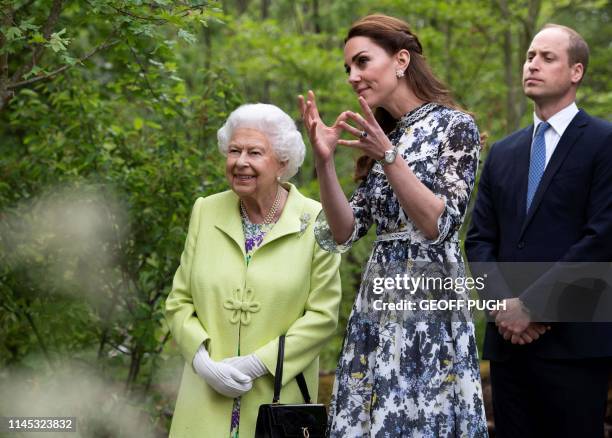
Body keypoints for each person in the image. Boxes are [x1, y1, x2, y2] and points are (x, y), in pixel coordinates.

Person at [300, 14, 488, 437]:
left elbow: (437, 223)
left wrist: (389, 156)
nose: (353, 76)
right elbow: (344, 232)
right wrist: (324, 160)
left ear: (401, 59)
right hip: (378, 301)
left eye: (362, 62)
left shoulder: (455, 127)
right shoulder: (385, 136)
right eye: (347, 68)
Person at [465, 24, 612, 438]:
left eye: (548, 58)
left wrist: (533, 306)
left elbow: (601, 238)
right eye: (530, 56)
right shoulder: (503, 152)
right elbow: (479, 240)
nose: (533, 64)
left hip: (576, 343)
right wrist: (503, 308)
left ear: (576, 71)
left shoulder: (604, 142)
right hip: (509, 347)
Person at [164, 103, 342, 438]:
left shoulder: (317, 220)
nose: (240, 162)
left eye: (255, 152)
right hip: (205, 397)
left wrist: (257, 363)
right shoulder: (205, 211)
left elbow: (323, 315)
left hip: (276, 405)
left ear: (282, 163)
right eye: (234, 151)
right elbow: (179, 301)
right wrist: (203, 362)